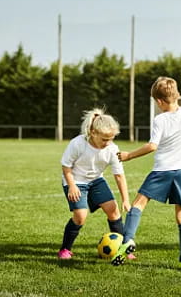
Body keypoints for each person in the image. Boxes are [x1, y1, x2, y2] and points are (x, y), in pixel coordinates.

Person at [111, 45, 181, 271]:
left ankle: (128, 240)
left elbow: (152, 146)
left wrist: (128, 156)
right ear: (176, 95)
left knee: (138, 203)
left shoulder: (160, 120)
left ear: (159, 101)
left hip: (163, 170)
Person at [57, 108, 131, 260]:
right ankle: (65, 250)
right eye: (104, 139)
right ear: (93, 132)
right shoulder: (78, 143)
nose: (108, 143)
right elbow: (66, 166)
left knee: (113, 210)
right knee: (80, 216)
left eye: (110, 139)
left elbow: (119, 175)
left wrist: (125, 199)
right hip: (75, 180)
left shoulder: (112, 149)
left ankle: (122, 249)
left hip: (96, 180)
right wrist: (72, 186)